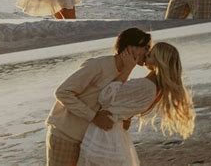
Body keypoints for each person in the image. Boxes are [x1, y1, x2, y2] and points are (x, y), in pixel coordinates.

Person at [46, 28, 152, 166]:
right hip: (66, 135)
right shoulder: (98, 66)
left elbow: (108, 103)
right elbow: (63, 92)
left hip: (87, 139)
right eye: (146, 47)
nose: (148, 52)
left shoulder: (123, 72)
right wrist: (93, 116)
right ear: (131, 48)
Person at [78, 42, 195, 166]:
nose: (145, 56)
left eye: (150, 55)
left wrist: (127, 69)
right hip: (114, 133)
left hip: (104, 135)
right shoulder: (155, 87)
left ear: (159, 62)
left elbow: (105, 97)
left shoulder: (146, 86)